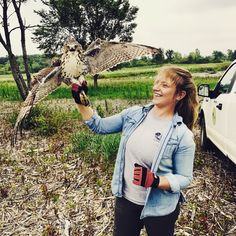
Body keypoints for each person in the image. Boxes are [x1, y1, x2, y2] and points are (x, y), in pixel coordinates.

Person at [71, 66, 199, 236]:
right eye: (156, 83)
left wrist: (155, 180)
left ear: (180, 95)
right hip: (126, 201)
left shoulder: (182, 134)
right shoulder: (134, 114)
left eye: (164, 85)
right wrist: (81, 100)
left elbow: (185, 178)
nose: (156, 88)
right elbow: (98, 125)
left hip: (160, 209)